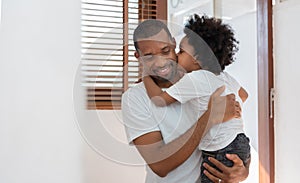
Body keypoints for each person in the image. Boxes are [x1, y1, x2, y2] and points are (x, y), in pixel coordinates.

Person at [122, 18, 250, 183]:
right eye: (149, 56)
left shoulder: (201, 80)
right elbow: (160, 165)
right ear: (138, 57)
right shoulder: (135, 98)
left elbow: (235, 124)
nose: (160, 61)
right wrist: (209, 118)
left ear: (175, 45)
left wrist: (243, 171)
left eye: (165, 50)